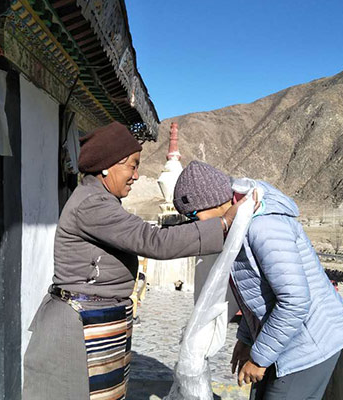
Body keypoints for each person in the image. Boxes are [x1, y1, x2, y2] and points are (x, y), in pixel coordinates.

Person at [23, 123, 250, 400]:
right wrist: (224, 225)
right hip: (76, 326)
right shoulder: (92, 204)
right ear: (108, 166)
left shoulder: (101, 201)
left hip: (98, 321)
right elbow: (152, 241)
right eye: (132, 166)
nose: (136, 176)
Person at [172, 161, 343, 400]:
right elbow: (257, 295)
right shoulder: (240, 227)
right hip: (285, 340)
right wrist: (246, 338)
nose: (194, 224)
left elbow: (294, 301)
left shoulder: (264, 227)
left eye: (192, 215)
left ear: (215, 201)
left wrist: (259, 357)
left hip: (309, 344)